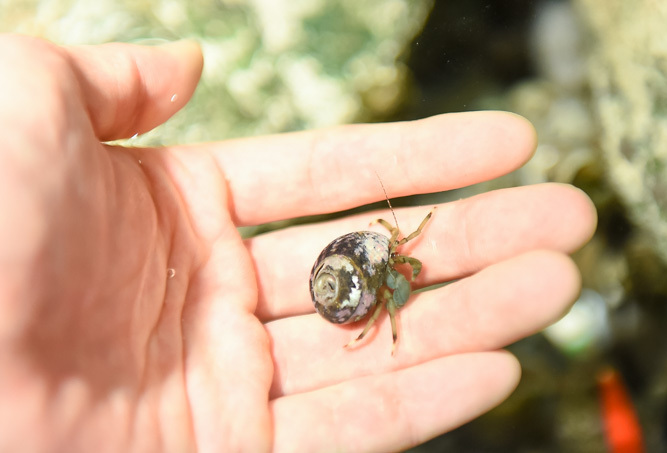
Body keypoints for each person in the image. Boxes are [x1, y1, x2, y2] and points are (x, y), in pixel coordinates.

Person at [0, 34, 597, 452]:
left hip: (350, 266)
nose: (402, 249)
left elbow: (393, 247)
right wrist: (379, 320)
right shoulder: (387, 258)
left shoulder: (376, 252)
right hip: (349, 275)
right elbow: (402, 249)